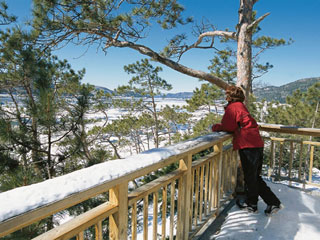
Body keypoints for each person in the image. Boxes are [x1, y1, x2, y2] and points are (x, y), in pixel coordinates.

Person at [211, 85, 283, 216]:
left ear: (229, 96)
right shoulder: (241, 106)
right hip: (256, 143)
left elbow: (229, 126)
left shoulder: (233, 108)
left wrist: (216, 127)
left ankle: (257, 204)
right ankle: (264, 203)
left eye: (226, 95)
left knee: (251, 177)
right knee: (254, 176)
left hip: (247, 145)